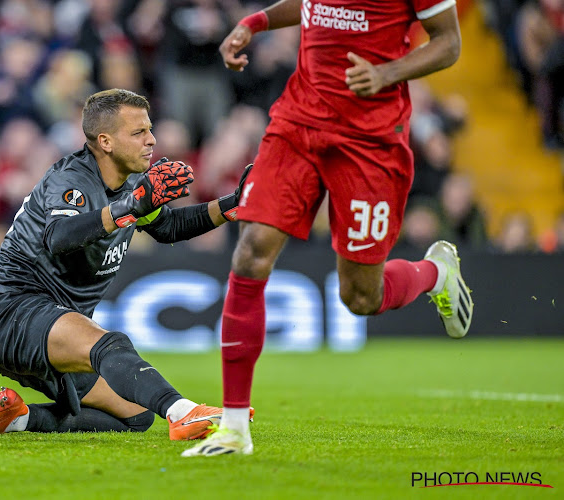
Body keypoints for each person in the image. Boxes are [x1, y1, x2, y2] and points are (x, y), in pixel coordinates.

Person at [182, 0, 473, 457]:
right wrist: (254, 22)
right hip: (297, 123)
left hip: (369, 140)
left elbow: (449, 43)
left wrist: (387, 73)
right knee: (252, 249)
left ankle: (436, 272)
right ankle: (234, 427)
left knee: (360, 297)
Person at [0, 88, 253, 439]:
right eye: (138, 133)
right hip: (12, 313)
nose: (152, 140)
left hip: (56, 323)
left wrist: (232, 206)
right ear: (105, 141)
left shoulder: (130, 183)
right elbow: (59, 237)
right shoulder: (71, 179)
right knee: (110, 345)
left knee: (136, 414)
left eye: (149, 129)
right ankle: (183, 412)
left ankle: (13, 418)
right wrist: (129, 207)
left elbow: (169, 226)